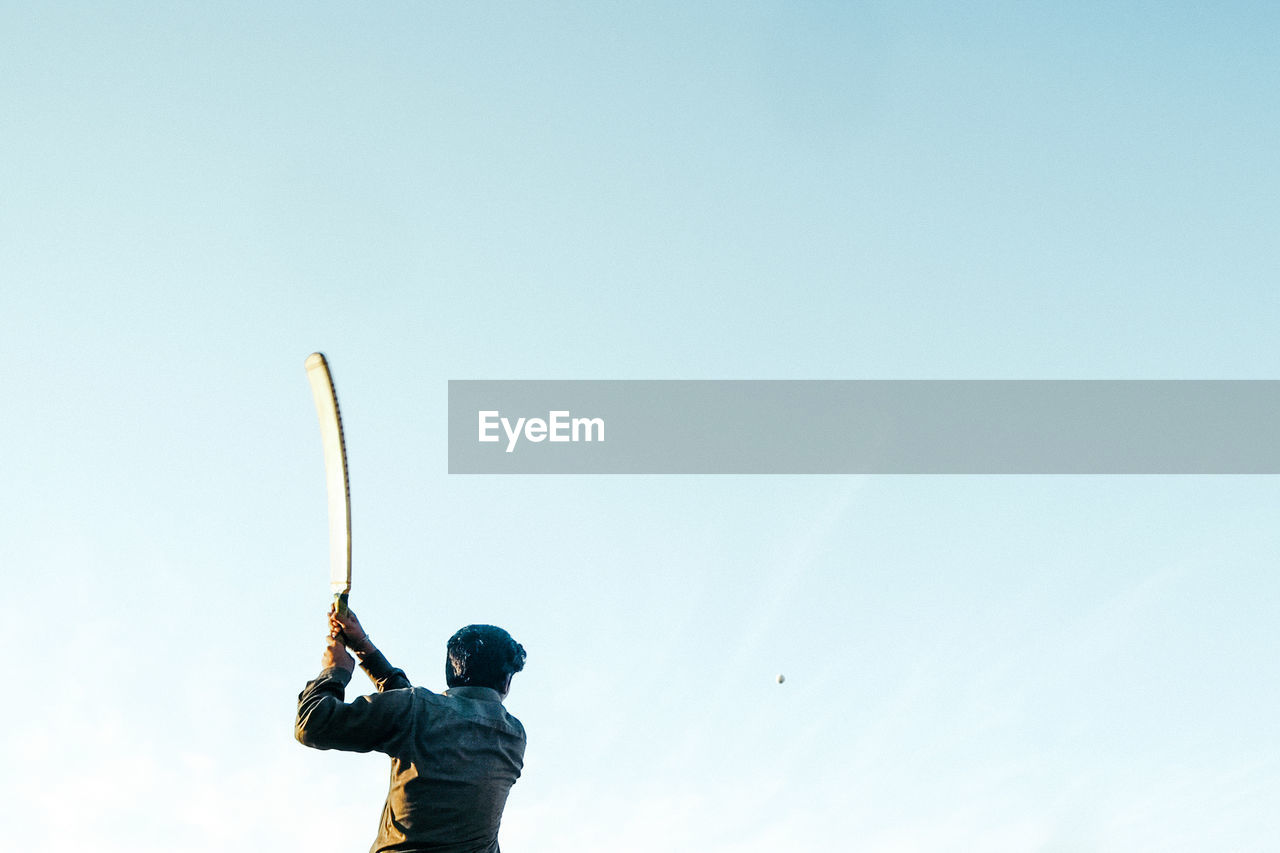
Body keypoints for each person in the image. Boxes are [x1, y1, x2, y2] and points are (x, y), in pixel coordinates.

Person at [296, 607, 528, 853]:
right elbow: (424, 717)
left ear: (450, 671)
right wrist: (364, 647)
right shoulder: (514, 737)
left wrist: (335, 671)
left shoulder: (417, 712)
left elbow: (312, 723)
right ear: (506, 682)